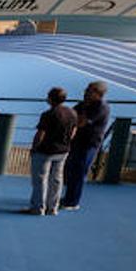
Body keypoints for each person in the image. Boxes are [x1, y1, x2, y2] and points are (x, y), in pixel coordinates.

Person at [22, 87, 77, 216]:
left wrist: (34, 148)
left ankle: (38, 208)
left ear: (51, 99)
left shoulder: (48, 114)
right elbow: (74, 131)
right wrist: (66, 143)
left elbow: (41, 133)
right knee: (57, 179)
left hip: (45, 151)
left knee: (40, 180)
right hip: (63, 151)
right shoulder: (72, 113)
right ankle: (53, 208)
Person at [59, 81, 111, 211]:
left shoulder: (101, 107)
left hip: (89, 144)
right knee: (71, 170)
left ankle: (72, 202)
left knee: (79, 172)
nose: (85, 92)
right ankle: (68, 197)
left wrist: (73, 121)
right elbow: (69, 116)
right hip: (77, 142)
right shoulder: (83, 105)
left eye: (89, 90)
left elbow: (81, 122)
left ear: (98, 93)